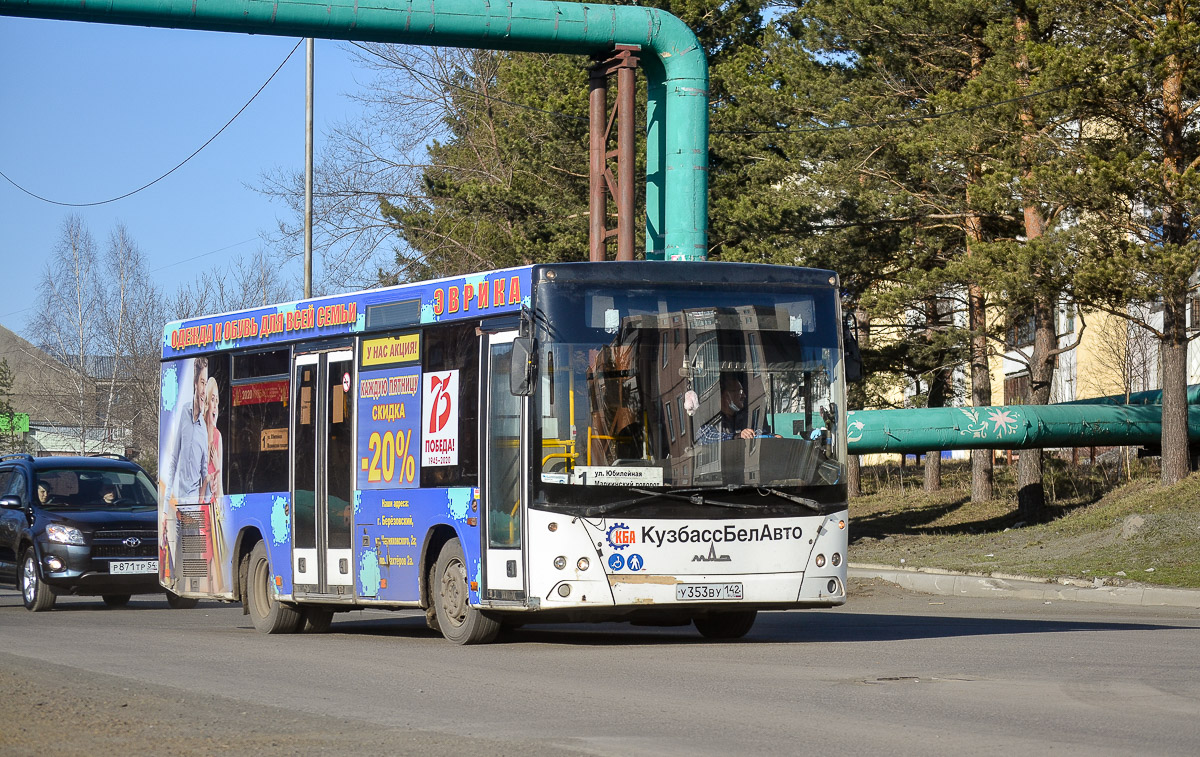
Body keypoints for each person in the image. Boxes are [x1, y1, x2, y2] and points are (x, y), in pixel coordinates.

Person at [163, 356, 209, 503]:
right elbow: (174, 459)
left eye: (206, 385)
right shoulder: (183, 412)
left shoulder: (204, 430)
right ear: (195, 383)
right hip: (177, 502)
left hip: (194, 505)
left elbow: (204, 473)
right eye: (202, 383)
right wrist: (165, 509)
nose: (204, 391)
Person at [698, 376, 765, 442]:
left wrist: (771, 436)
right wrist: (736, 436)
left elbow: (758, 429)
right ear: (726, 397)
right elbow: (705, 436)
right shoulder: (712, 419)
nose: (744, 395)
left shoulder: (742, 417)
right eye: (740, 392)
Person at [199, 376, 223, 504]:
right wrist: (207, 481)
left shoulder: (217, 436)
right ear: (207, 404)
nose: (215, 406)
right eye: (212, 400)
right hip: (199, 507)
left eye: (217, 401)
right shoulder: (198, 433)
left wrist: (217, 464)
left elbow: (220, 493)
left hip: (213, 508)